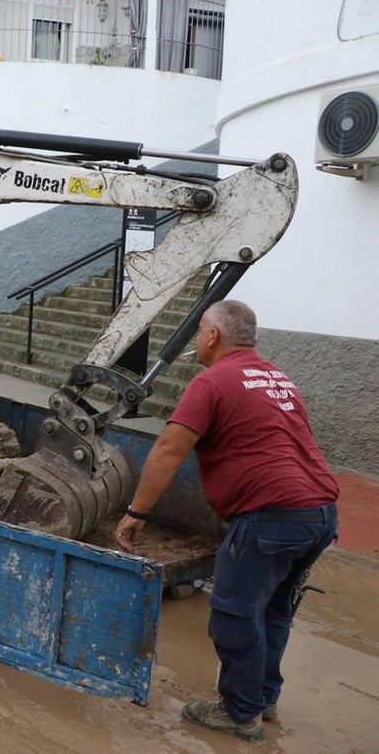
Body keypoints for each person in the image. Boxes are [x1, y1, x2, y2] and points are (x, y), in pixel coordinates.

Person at [114, 300, 338, 742]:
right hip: (319, 514)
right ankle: (261, 698)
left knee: (235, 615)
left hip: (270, 518)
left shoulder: (211, 381)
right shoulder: (278, 378)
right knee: (273, 610)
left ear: (213, 335)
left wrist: (136, 512)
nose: (199, 340)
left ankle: (239, 714)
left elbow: (169, 451)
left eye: (200, 331)